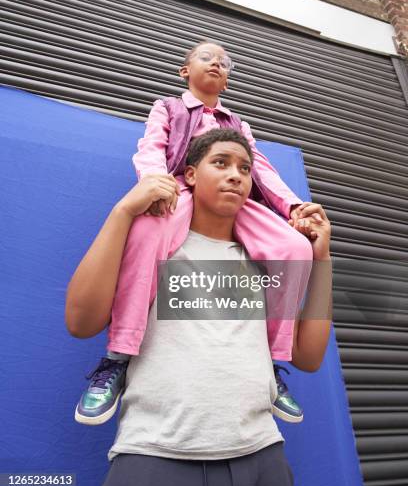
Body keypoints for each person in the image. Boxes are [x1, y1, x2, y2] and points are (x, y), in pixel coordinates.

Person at [65, 129, 332, 486]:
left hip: (263, 455)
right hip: (156, 455)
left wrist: (321, 258)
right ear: (190, 174)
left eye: (244, 168)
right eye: (220, 163)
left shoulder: (262, 262)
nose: (235, 175)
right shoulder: (154, 245)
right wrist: (123, 210)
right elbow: (81, 323)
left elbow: (309, 357)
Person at [69, 40, 321, 426]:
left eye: (225, 62)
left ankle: (272, 363)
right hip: (178, 188)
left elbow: (262, 170)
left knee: (293, 247)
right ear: (184, 71)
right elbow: (151, 146)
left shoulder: (238, 124)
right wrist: (154, 184)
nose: (217, 64)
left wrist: (291, 206)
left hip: (237, 199)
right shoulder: (167, 107)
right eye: (207, 58)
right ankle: (119, 355)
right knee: (148, 232)